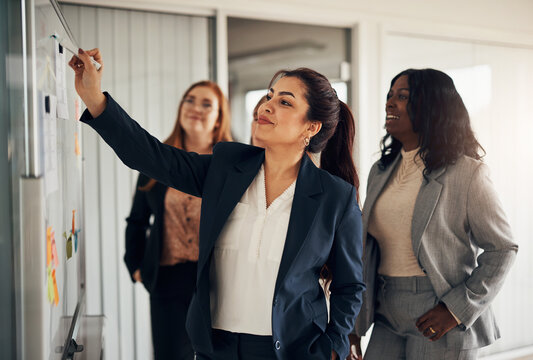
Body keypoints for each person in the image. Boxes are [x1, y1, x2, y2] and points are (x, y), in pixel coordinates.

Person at [69, 49, 364, 360]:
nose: (266, 106)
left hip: (292, 350)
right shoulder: (226, 167)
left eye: (284, 102)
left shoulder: (335, 197)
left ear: (311, 127)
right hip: (217, 348)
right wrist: (94, 98)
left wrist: (334, 346)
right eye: (269, 96)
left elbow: (350, 285)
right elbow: (152, 156)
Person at [350, 68, 518, 360]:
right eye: (390, 96)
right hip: (384, 307)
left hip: (438, 309)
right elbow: (368, 249)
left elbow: (502, 248)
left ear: (432, 106)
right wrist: (352, 326)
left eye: (403, 97)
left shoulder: (468, 173)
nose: (390, 103)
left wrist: (455, 310)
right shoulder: (380, 171)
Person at [125, 81, 232, 360]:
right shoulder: (156, 161)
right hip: (166, 280)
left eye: (207, 104)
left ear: (219, 117)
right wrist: (135, 265)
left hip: (217, 281)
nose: (196, 108)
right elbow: (137, 220)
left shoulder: (233, 165)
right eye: (189, 100)